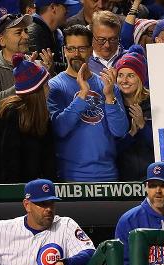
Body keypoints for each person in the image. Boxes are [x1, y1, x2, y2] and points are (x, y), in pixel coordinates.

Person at [48, 24, 128, 182]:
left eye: (82, 49)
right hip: (70, 176)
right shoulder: (54, 86)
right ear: (64, 51)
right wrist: (82, 95)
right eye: (71, 49)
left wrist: (110, 95)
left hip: (108, 175)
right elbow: (59, 129)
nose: (76, 54)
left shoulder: (106, 85)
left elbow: (119, 131)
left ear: (91, 49)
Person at [0, 53, 55, 183]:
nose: (49, 88)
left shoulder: (42, 114)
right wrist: (14, 193)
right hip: (8, 187)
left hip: (32, 185)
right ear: (36, 91)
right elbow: (8, 159)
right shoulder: (11, 113)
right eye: (46, 85)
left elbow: (48, 157)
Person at [0, 13, 53, 105]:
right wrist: (26, 77)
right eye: (18, 32)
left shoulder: (37, 65)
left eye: (26, 31)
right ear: (1, 40)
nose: (26, 36)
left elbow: (51, 102)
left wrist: (49, 75)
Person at [115, 46, 153, 181]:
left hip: (151, 178)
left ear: (140, 78)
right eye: (120, 75)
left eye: (130, 75)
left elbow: (162, 146)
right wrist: (131, 134)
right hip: (123, 180)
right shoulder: (113, 106)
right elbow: (111, 151)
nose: (124, 80)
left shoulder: (154, 103)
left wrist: (143, 125)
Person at [28, 0, 78, 74]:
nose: (67, 11)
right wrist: (77, 66)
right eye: (65, 7)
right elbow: (41, 66)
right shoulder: (34, 32)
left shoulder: (54, 31)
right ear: (53, 8)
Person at [89, 10, 126, 75]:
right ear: (91, 36)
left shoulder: (130, 58)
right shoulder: (84, 61)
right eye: (101, 39)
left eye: (112, 39)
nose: (107, 45)